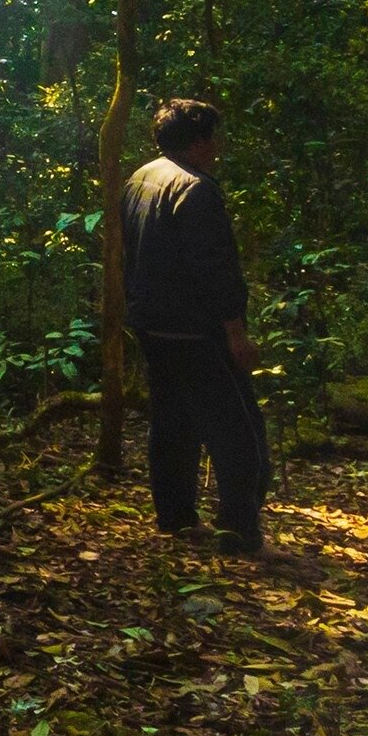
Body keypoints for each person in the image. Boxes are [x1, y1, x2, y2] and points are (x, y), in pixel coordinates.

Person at [122, 99, 270, 554]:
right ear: (200, 141)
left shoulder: (140, 177)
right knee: (239, 430)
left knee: (173, 421)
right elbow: (216, 270)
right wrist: (236, 334)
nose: (218, 148)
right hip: (194, 330)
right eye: (214, 138)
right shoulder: (196, 189)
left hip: (152, 324)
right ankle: (239, 531)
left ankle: (176, 516)